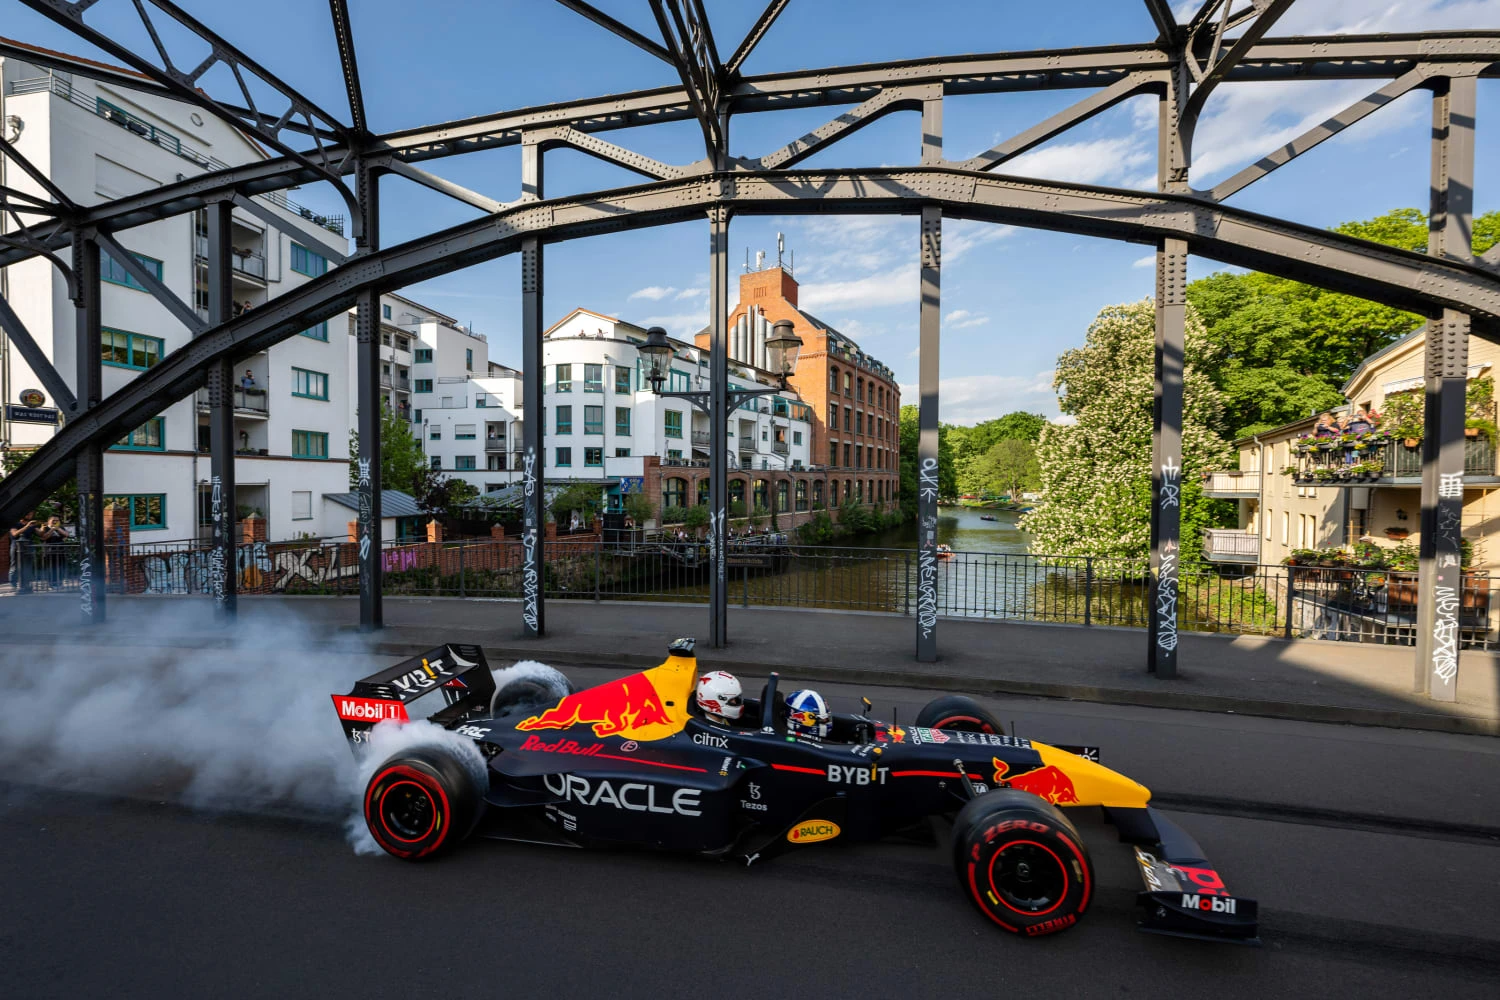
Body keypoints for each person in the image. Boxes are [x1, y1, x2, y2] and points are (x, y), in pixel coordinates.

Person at [8, 513, 40, 589]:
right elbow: (14, 534)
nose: (30, 515)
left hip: (28, 546)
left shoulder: (32, 525)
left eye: (31, 514)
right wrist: (27, 526)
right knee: (14, 565)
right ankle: (13, 584)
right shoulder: (15, 524)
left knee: (28, 565)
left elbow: (41, 534)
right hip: (16, 546)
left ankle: (26, 583)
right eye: (28, 513)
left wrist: (43, 527)